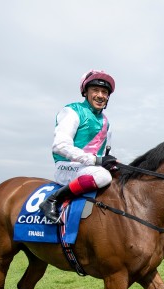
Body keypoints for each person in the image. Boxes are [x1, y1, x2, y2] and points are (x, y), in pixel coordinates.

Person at [39, 70, 118, 223]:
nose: (101, 95)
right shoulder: (72, 111)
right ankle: (52, 200)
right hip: (67, 166)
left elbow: (103, 153)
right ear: (85, 93)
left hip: (89, 168)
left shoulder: (106, 122)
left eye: (104, 92)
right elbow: (60, 146)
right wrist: (96, 161)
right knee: (102, 176)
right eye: (95, 90)